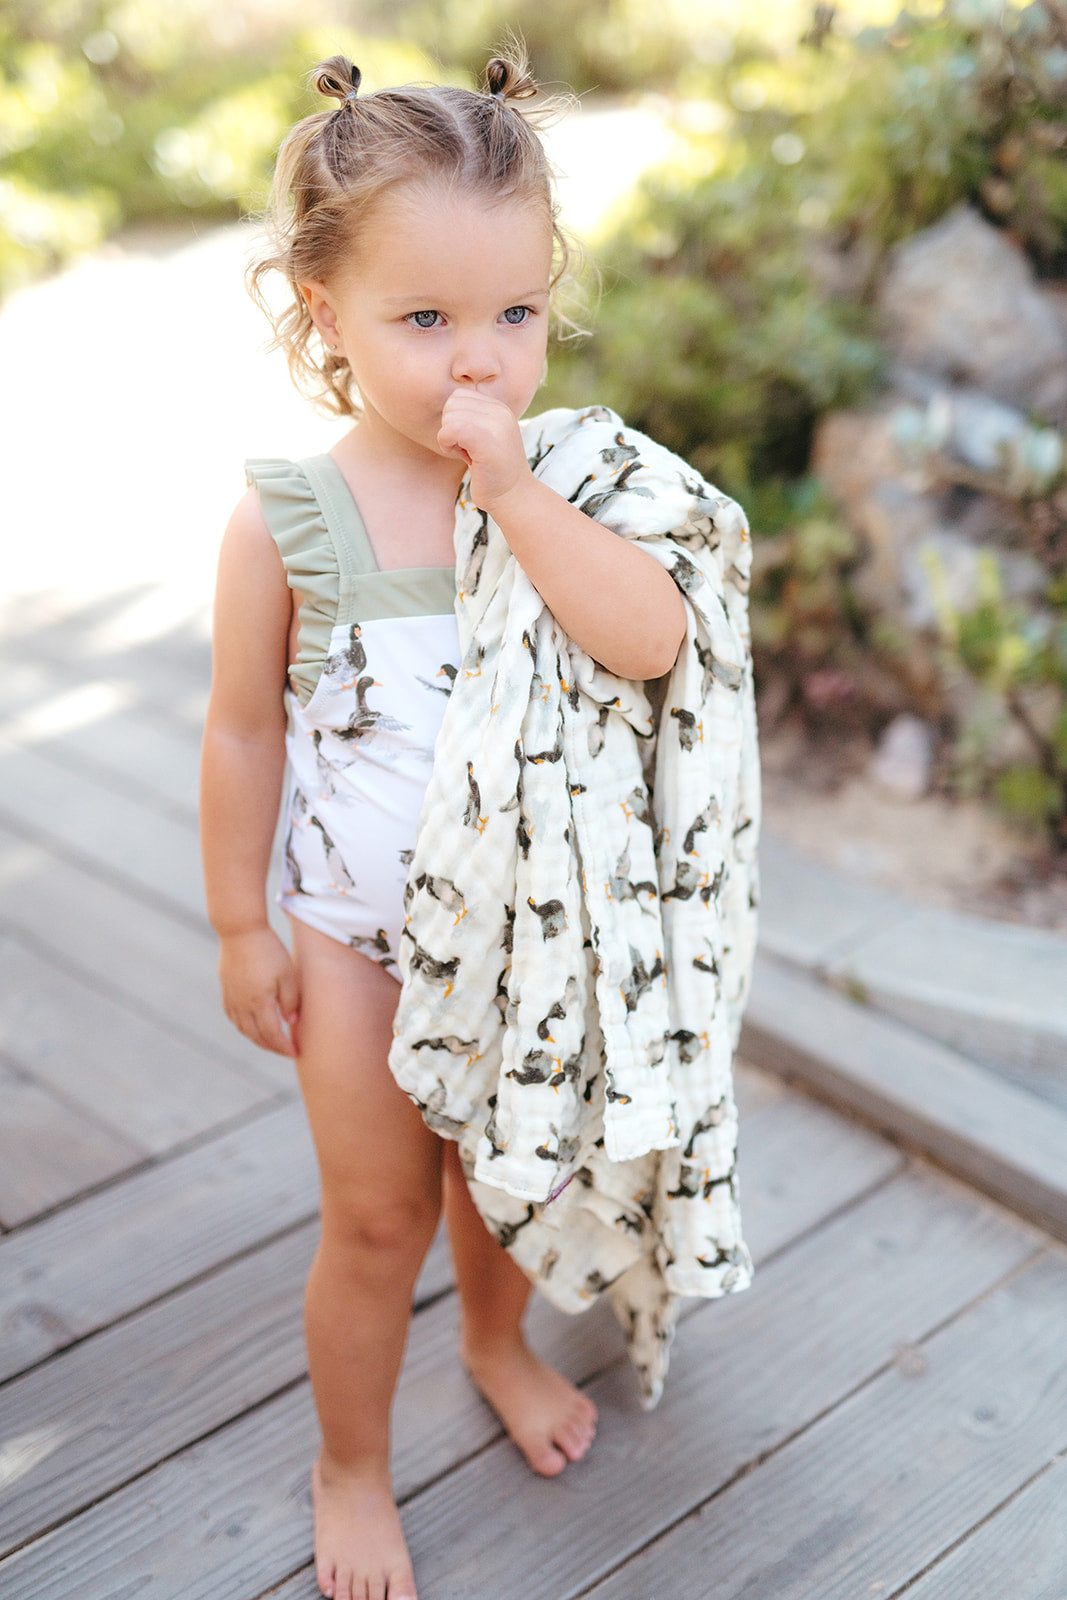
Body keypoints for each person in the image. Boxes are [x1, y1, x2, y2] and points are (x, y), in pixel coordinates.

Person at [200, 47, 757, 1600]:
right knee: (379, 1218)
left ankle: (496, 1343)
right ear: (326, 312)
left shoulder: (575, 480)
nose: (478, 361)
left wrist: (516, 497)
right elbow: (244, 728)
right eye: (424, 320)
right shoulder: (290, 519)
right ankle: (351, 1463)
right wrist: (243, 919)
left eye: (513, 315)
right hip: (356, 939)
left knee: (501, 1184)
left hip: (529, 937)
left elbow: (652, 643)